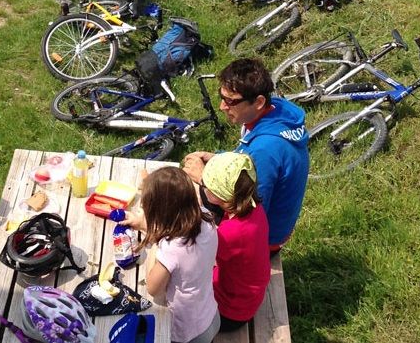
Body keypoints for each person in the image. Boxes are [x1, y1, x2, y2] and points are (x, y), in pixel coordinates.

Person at [183, 57, 308, 253]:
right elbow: (247, 160)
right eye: (222, 97)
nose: (222, 107)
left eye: (231, 101)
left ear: (258, 102)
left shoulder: (265, 150)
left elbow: (248, 209)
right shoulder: (275, 111)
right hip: (273, 221)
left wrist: (204, 179)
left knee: (180, 217)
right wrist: (218, 158)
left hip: (263, 239)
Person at [124, 167, 220, 343]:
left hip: (189, 333)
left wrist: (155, 239)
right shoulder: (205, 217)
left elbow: (153, 288)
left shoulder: (171, 249)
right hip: (211, 315)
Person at [200, 152, 270, 332]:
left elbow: (194, 259)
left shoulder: (230, 234)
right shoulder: (254, 207)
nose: (202, 186)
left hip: (230, 312)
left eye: (205, 185)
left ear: (220, 196)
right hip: (247, 295)